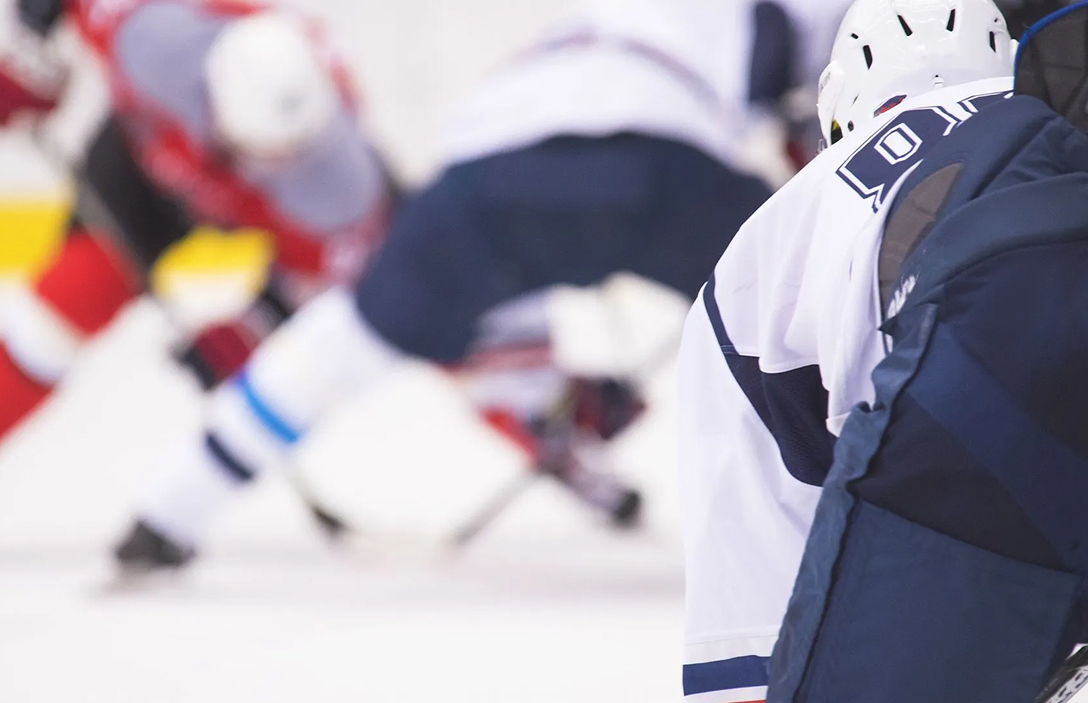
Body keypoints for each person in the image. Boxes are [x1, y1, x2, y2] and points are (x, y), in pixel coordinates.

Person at [111, 0, 854, 570]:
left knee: (349, 337)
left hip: (495, 163)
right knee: (809, 322)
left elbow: (521, 265)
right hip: (666, 162)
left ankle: (167, 514)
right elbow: (822, 118)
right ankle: (861, 502)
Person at [676, 0, 1036, 703]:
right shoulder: (1065, 113)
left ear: (841, 104)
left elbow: (747, 602)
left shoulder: (777, 233)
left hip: (968, 477)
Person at [0, 0, 395, 441]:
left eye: (266, 157)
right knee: (51, 323)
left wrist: (255, 325)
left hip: (230, 205)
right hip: (139, 158)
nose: (238, 161)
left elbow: (339, 273)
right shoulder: (156, 41)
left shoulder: (335, 186)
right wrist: (27, 51)